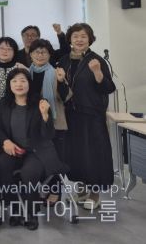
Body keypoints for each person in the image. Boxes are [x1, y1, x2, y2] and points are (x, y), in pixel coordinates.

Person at [0, 68, 67, 230]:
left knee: (29, 173)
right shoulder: (5, 103)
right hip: (13, 149)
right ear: (9, 85)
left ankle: (31, 214)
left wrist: (45, 116)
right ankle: (15, 209)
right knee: (1, 165)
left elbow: (48, 135)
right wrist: (6, 141)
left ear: (29, 83)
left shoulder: (39, 103)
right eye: (14, 81)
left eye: (23, 80)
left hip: (36, 151)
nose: (18, 84)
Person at [58, 23, 115, 210]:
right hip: (71, 115)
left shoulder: (97, 60)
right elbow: (62, 89)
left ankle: (94, 194)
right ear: (70, 39)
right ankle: (81, 191)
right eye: (75, 36)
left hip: (92, 116)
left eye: (83, 36)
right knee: (77, 154)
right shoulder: (64, 60)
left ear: (90, 39)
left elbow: (109, 88)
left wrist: (97, 72)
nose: (79, 40)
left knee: (94, 154)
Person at [28, 39, 72, 171]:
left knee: (56, 160)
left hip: (55, 123)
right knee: (37, 161)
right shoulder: (26, 73)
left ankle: (56, 185)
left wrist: (61, 81)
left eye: (44, 52)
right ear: (31, 54)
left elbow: (66, 97)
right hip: (32, 123)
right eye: (37, 52)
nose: (40, 55)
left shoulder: (56, 72)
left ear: (49, 55)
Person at [0, 36, 22, 110]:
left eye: (9, 49)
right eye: (1, 48)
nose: (5, 51)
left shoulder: (20, 68)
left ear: (14, 51)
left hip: (16, 108)